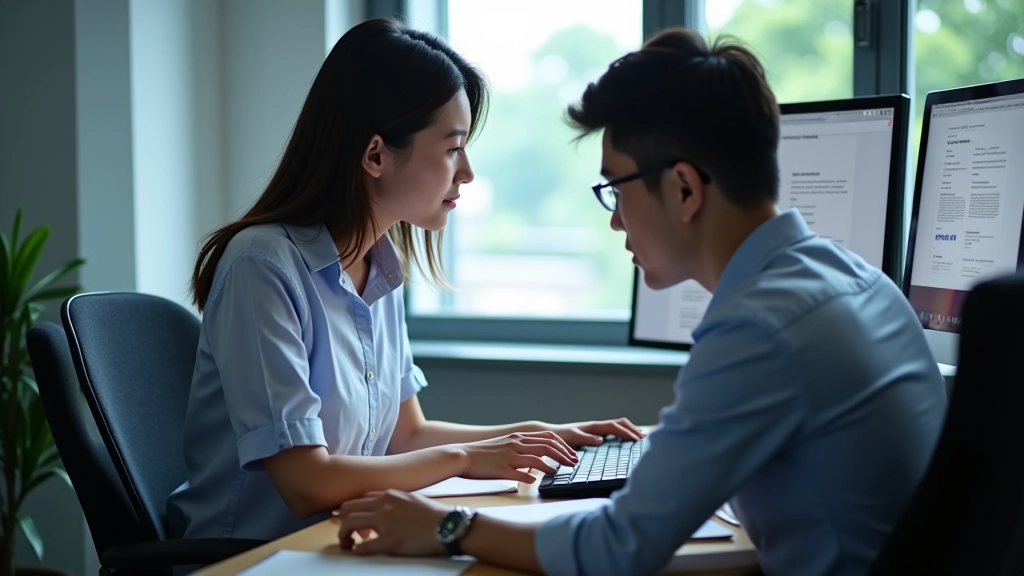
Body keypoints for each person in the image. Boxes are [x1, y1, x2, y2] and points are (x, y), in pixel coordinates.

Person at [334, 28, 948, 576]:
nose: (615, 222)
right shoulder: (853, 281)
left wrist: (447, 528)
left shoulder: (763, 328)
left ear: (683, 188)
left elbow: (618, 548)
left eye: (616, 190)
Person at [165, 18, 644, 545]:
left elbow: (406, 434)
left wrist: (533, 437)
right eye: (452, 148)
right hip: (252, 557)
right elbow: (306, 482)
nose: (467, 173)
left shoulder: (379, 267)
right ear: (375, 156)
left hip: (336, 545)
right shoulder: (262, 265)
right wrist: (467, 457)